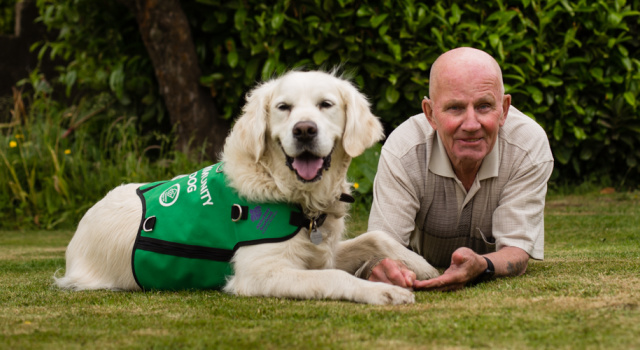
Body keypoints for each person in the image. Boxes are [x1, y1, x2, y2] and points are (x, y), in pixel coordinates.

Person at [358, 47, 554, 291]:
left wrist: (482, 265)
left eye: (484, 106)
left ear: (504, 109)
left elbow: (516, 250)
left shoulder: (527, 145)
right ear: (430, 113)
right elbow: (381, 248)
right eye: (455, 108)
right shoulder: (404, 149)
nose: (471, 124)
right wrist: (383, 268)